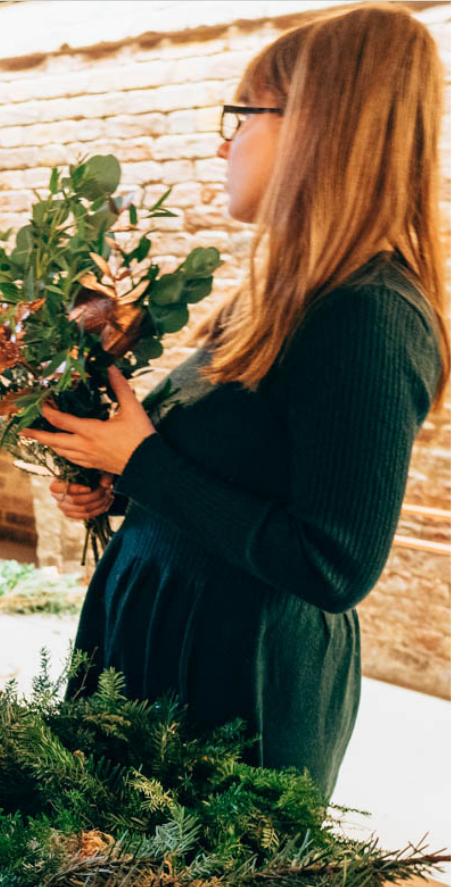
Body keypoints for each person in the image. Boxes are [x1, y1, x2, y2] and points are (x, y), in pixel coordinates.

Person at [25, 3, 446, 796]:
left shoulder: (367, 314)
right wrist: (116, 484)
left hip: (233, 679)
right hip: (165, 635)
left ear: (318, 127)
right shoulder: (276, 299)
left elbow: (334, 561)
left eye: (242, 116)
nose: (224, 141)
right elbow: (234, 481)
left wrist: (145, 462)